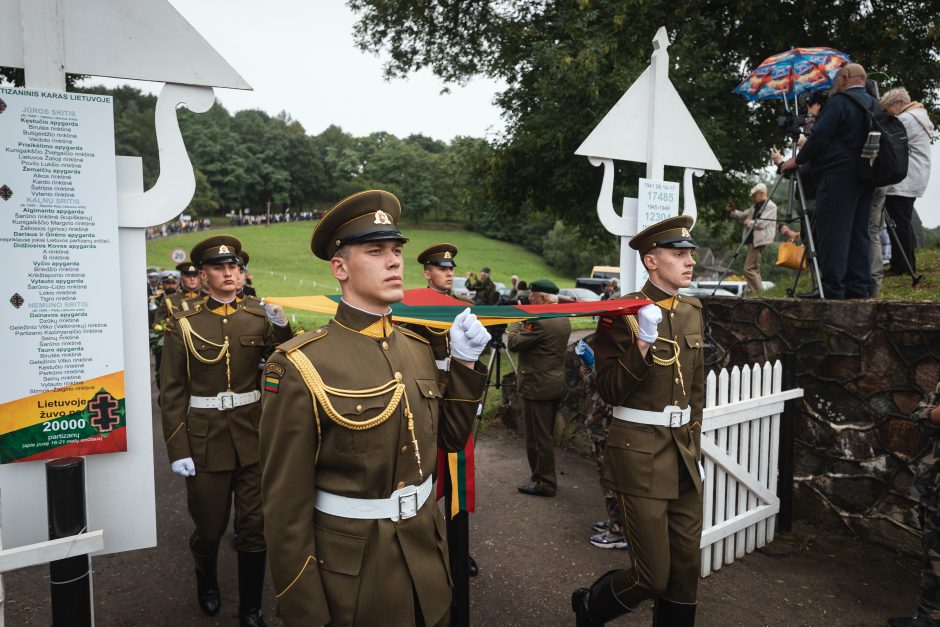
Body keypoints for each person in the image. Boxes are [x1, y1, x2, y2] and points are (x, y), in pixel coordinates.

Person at [257, 190, 490, 627]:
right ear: (340, 267)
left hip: (427, 558)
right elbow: (285, 508)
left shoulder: (418, 348)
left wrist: (464, 364)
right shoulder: (299, 364)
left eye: (397, 250)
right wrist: (306, 612)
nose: (394, 261)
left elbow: (450, 440)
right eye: (376, 250)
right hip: (356, 580)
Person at [572, 215, 704, 627]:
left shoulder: (692, 309)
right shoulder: (622, 313)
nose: (689, 262)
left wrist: (693, 445)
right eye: (677, 254)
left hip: (682, 453)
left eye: (689, 254)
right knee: (651, 576)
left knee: (684, 572)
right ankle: (591, 606)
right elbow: (609, 390)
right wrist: (642, 344)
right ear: (650, 260)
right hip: (640, 454)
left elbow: (695, 390)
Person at [159, 235, 292, 627]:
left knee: (254, 527)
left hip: (253, 436)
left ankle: (251, 609)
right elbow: (171, 393)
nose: (230, 272)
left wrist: (283, 327)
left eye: (234, 266)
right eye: (220, 267)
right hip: (205, 440)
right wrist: (177, 447)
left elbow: (286, 360)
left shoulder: (258, 314)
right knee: (211, 526)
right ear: (202, 276)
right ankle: (207, 581)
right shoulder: (183, 324)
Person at [781, 63, 876, 299]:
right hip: (868, 174)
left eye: (835, 79)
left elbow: (820, 136)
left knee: (834, 232)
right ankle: (858, 288)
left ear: (844, 78)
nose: (833, 84)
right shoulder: (873, 104)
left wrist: (798, 160)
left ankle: (833, 288)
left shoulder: (840, 103)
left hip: (839, 176)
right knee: (858, 232)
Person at [507, 280, 571, 497]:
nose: (528, 299)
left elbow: (514, 343)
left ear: (542, 298)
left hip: (537, 387)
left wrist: (516, 318)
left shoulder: (540, 321)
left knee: (537, 438)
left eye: (532, 296)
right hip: (553, 383)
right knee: (545, 435)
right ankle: (544, 478)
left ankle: (544, 483)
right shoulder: (562, 317)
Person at [888, 380, 940, 627]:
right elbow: (919, 419)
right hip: (936, 488)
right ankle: (929, 618)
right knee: (934, 554)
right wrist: (935, 415)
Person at [881, 87, 935, 277]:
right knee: (902, 221)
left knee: (898, 222)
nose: (887, 114)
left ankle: (902, 265)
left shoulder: (906, 119)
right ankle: (905, 262)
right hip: (914, 176)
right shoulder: (918, 117)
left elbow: (887, 137)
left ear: (898, 104)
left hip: (905, 178)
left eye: (888, 109)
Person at [726, 182, 778, 294]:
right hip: (753, 239)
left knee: (748, 269)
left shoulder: (770, 206)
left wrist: (749, 223)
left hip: (759, 240)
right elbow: (743, 215)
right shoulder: (755, 206)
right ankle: (754, 292)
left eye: (755, 195)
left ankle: (759, 293)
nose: (754, 198)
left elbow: (762, 223)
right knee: (754, 269)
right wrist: (732, 212)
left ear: (761, 193)